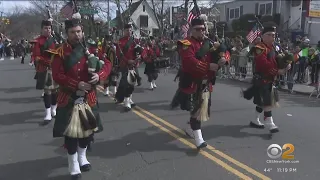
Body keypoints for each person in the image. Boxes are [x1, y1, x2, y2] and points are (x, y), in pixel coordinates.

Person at [51, 17, 111, 179]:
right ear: (67, 34)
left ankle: (82, 156)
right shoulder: (60, 52)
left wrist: (99, 76)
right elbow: (57, 75)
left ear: (82, 32)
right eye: (72, 32)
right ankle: (73, 162)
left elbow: (107, 64)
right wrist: (76, 84)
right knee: (71, 133)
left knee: (87, 129)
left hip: (89, 96)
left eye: (78, 32)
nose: (76, 35)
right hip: (69, 95)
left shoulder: (92, 49)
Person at [178, 18, 222, 148]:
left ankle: (189, 127)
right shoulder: (186, 44)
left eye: (203, 29)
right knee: (196, 110)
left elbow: (224, 52)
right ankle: (199, 138)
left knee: (201, 109)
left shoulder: (209, 43)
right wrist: (208, 66)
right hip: (193, 82)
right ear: (192, 30)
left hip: (206, 83)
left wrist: (224, 58)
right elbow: (190, 62)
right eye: (198, 29)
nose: (201, 31)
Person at [244, 25, 291, 133]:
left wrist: (286, 64)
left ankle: (255, 120)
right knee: (267, 102)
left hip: (270, 79)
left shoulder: (274, 48)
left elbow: (278, 60)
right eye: (269, 35)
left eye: (273, 35)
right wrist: (278, 71)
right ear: (263, 36)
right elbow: (263, 64)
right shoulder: (259, 48)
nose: (272, 37)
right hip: (262, 79)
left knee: (262, 102)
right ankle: (270, 122)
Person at [31, 19, 57, 124]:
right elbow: (36, 56)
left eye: (49, 28)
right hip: (45, 69)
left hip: (56, 68)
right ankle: (48, 112)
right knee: (47, 91)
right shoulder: (38, 41)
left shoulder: (55, 40)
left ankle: (54, 108)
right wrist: (47, 62)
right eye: (46, 28)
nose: (48, 30)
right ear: (42, 29)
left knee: (55, 91)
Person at [114, 24, 141, 111]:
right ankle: (126, 102)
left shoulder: (135, 41)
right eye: (127, 30)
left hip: (134, 64)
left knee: (132, 82)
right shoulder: (120, 41)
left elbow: (139, 52)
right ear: (124, 31)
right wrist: (127, 61)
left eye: (130, 30)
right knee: (127, 83)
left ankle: (125, 98)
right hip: (124, 64)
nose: (128, 32)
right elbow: (119, 55)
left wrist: (138, 56)